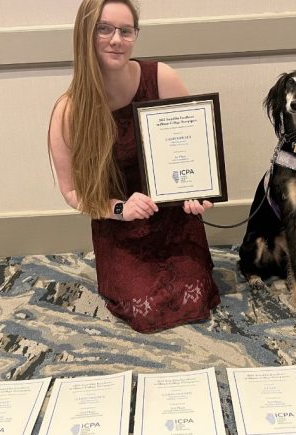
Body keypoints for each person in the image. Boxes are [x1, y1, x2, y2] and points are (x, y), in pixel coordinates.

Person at [48, 0, 220, 332]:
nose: (117, 40)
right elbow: (71, 190)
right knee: (145, 310)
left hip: (172, 216)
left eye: (126, 31)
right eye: (104, 29)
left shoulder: (161, 78)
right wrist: (119, 209)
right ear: (85, 33)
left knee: (194, 297)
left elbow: (195, 150)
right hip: (120, 223)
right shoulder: (69, 110)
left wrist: (199, 192)